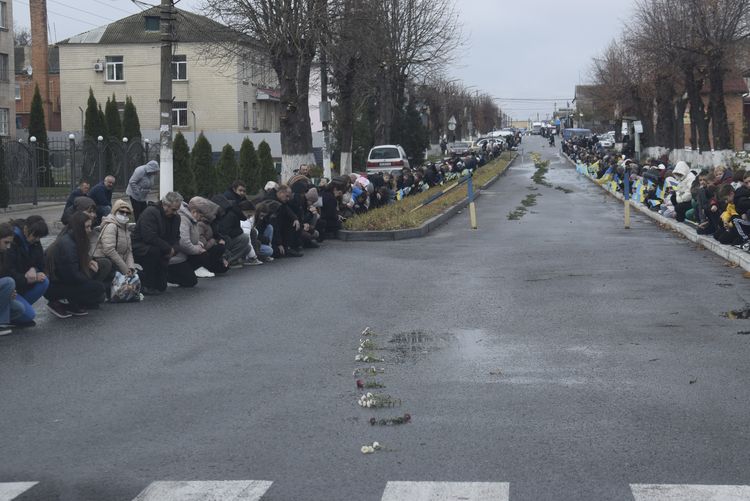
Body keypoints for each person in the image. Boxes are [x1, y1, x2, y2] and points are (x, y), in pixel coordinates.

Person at [44, 212, 108, 318]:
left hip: (65, 280)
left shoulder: (76, 238)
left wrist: (89, 261)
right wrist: (89, 278)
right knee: (98, 288)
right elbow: (71, 275)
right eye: (87, 227)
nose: (89, 230)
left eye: (90, 226)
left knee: (101, 268)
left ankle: (74, 302)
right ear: (79, 227)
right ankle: (61, 302)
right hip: (55, 286)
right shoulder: (67, 245)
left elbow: (79, 260)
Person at [130, 192, 182, 295]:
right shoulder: (150, 212)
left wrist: (174, 249)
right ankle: (145, 282)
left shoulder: (176, 218)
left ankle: (154, 280)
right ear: (165, 205)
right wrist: (168, 248)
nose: (175, 213)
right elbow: (149, 237)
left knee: (161, 287)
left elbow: (176, 237)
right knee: (154, 251)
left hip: (161, 248)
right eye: (173, 209)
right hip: (141, 247)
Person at [4, 216, 49, 326]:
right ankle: (9, 314)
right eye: (35, 236)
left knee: (44, 280)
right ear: (25, 229)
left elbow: (42, 265)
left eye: (40, 237)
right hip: (11, 286)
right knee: (29, 315)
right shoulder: (10, 242)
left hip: (20, 284)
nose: (37, 240)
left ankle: (18, 309)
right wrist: (26, 279)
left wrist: (34, 269)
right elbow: (7, 272)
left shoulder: (35, 241)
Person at [0, 223, 34, 333]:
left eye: (10, 243)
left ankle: (3, 320)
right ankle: (1, 323)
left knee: (20, 309)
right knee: (9, 282)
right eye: (6, 242)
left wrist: (9, 292)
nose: (8, 246)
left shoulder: (3, 253)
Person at [91, 199, 136, 278]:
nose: (124, 214)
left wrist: (131, 267)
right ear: (115, 211)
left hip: (119, 265)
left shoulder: (125, 227)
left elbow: (129, 251)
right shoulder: (111, 226)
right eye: (122, 212)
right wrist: (125, 269)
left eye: (127, 213)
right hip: (107, 265)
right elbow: (109, 250)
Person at [213, 180, 252, 266]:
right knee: (244, 237)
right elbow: (226, 229)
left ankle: (230, 261)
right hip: (224, 237)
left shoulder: (239, 200)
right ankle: (226, 261)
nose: (242, 193)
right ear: (234, 189)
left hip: (229, 235)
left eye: (244, 191)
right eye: (240, 190)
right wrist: (239, 232)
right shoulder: (231, 205)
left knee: (247, 247)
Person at [188, 196, 230, 274]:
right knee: (220, 248)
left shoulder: (207, 223)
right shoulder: (200, 224)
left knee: (224, 268)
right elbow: (203, 244)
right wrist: (215, 241)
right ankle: (202, 266)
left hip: (206, 249)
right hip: (201, 251)